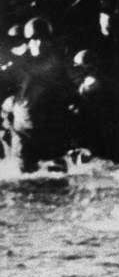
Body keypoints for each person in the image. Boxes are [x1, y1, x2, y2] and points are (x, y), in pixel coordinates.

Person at [0, 16, 76, 172]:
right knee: (25, 182)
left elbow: (69, 92)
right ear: (28, 41)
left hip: (52, 131)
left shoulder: (58, 66)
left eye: (44, 38)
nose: (39, 43)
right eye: (34, 39)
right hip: (24, 133)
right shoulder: (17, 66)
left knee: (59, 181)